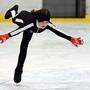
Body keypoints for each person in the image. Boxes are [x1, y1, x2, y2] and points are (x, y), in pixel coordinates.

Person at [0, 5, 83, 83]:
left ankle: (19, 69)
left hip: (31, 30)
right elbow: (19, 30)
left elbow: (58, 31)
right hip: (23, 18)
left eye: (46, 22)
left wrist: (71, 39)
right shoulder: (30, 23)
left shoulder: (47, 24)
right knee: (14, 20)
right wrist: (7, 36)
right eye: (42, 22)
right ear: (37, 19)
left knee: (24, 47)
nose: (44, 24)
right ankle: (14, 12)